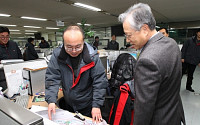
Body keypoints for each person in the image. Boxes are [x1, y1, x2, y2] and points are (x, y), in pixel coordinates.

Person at [118, 3, 185, 125]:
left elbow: (143, 109)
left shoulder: (147, 60)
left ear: (144, 29)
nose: (127, 40)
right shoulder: (172, 44)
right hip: (173, 115)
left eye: (129, 35)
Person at [45, 24, 108, 123]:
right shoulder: (58, 55)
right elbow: (52, 78)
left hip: (87, 105)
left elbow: (99, 81)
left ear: (83, 42)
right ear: (63, 43)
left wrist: (96, 105)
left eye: (78, 47)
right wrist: (51, 100)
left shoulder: (92, 57)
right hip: (68, 103)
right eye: (69, 47)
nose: (74, 51)